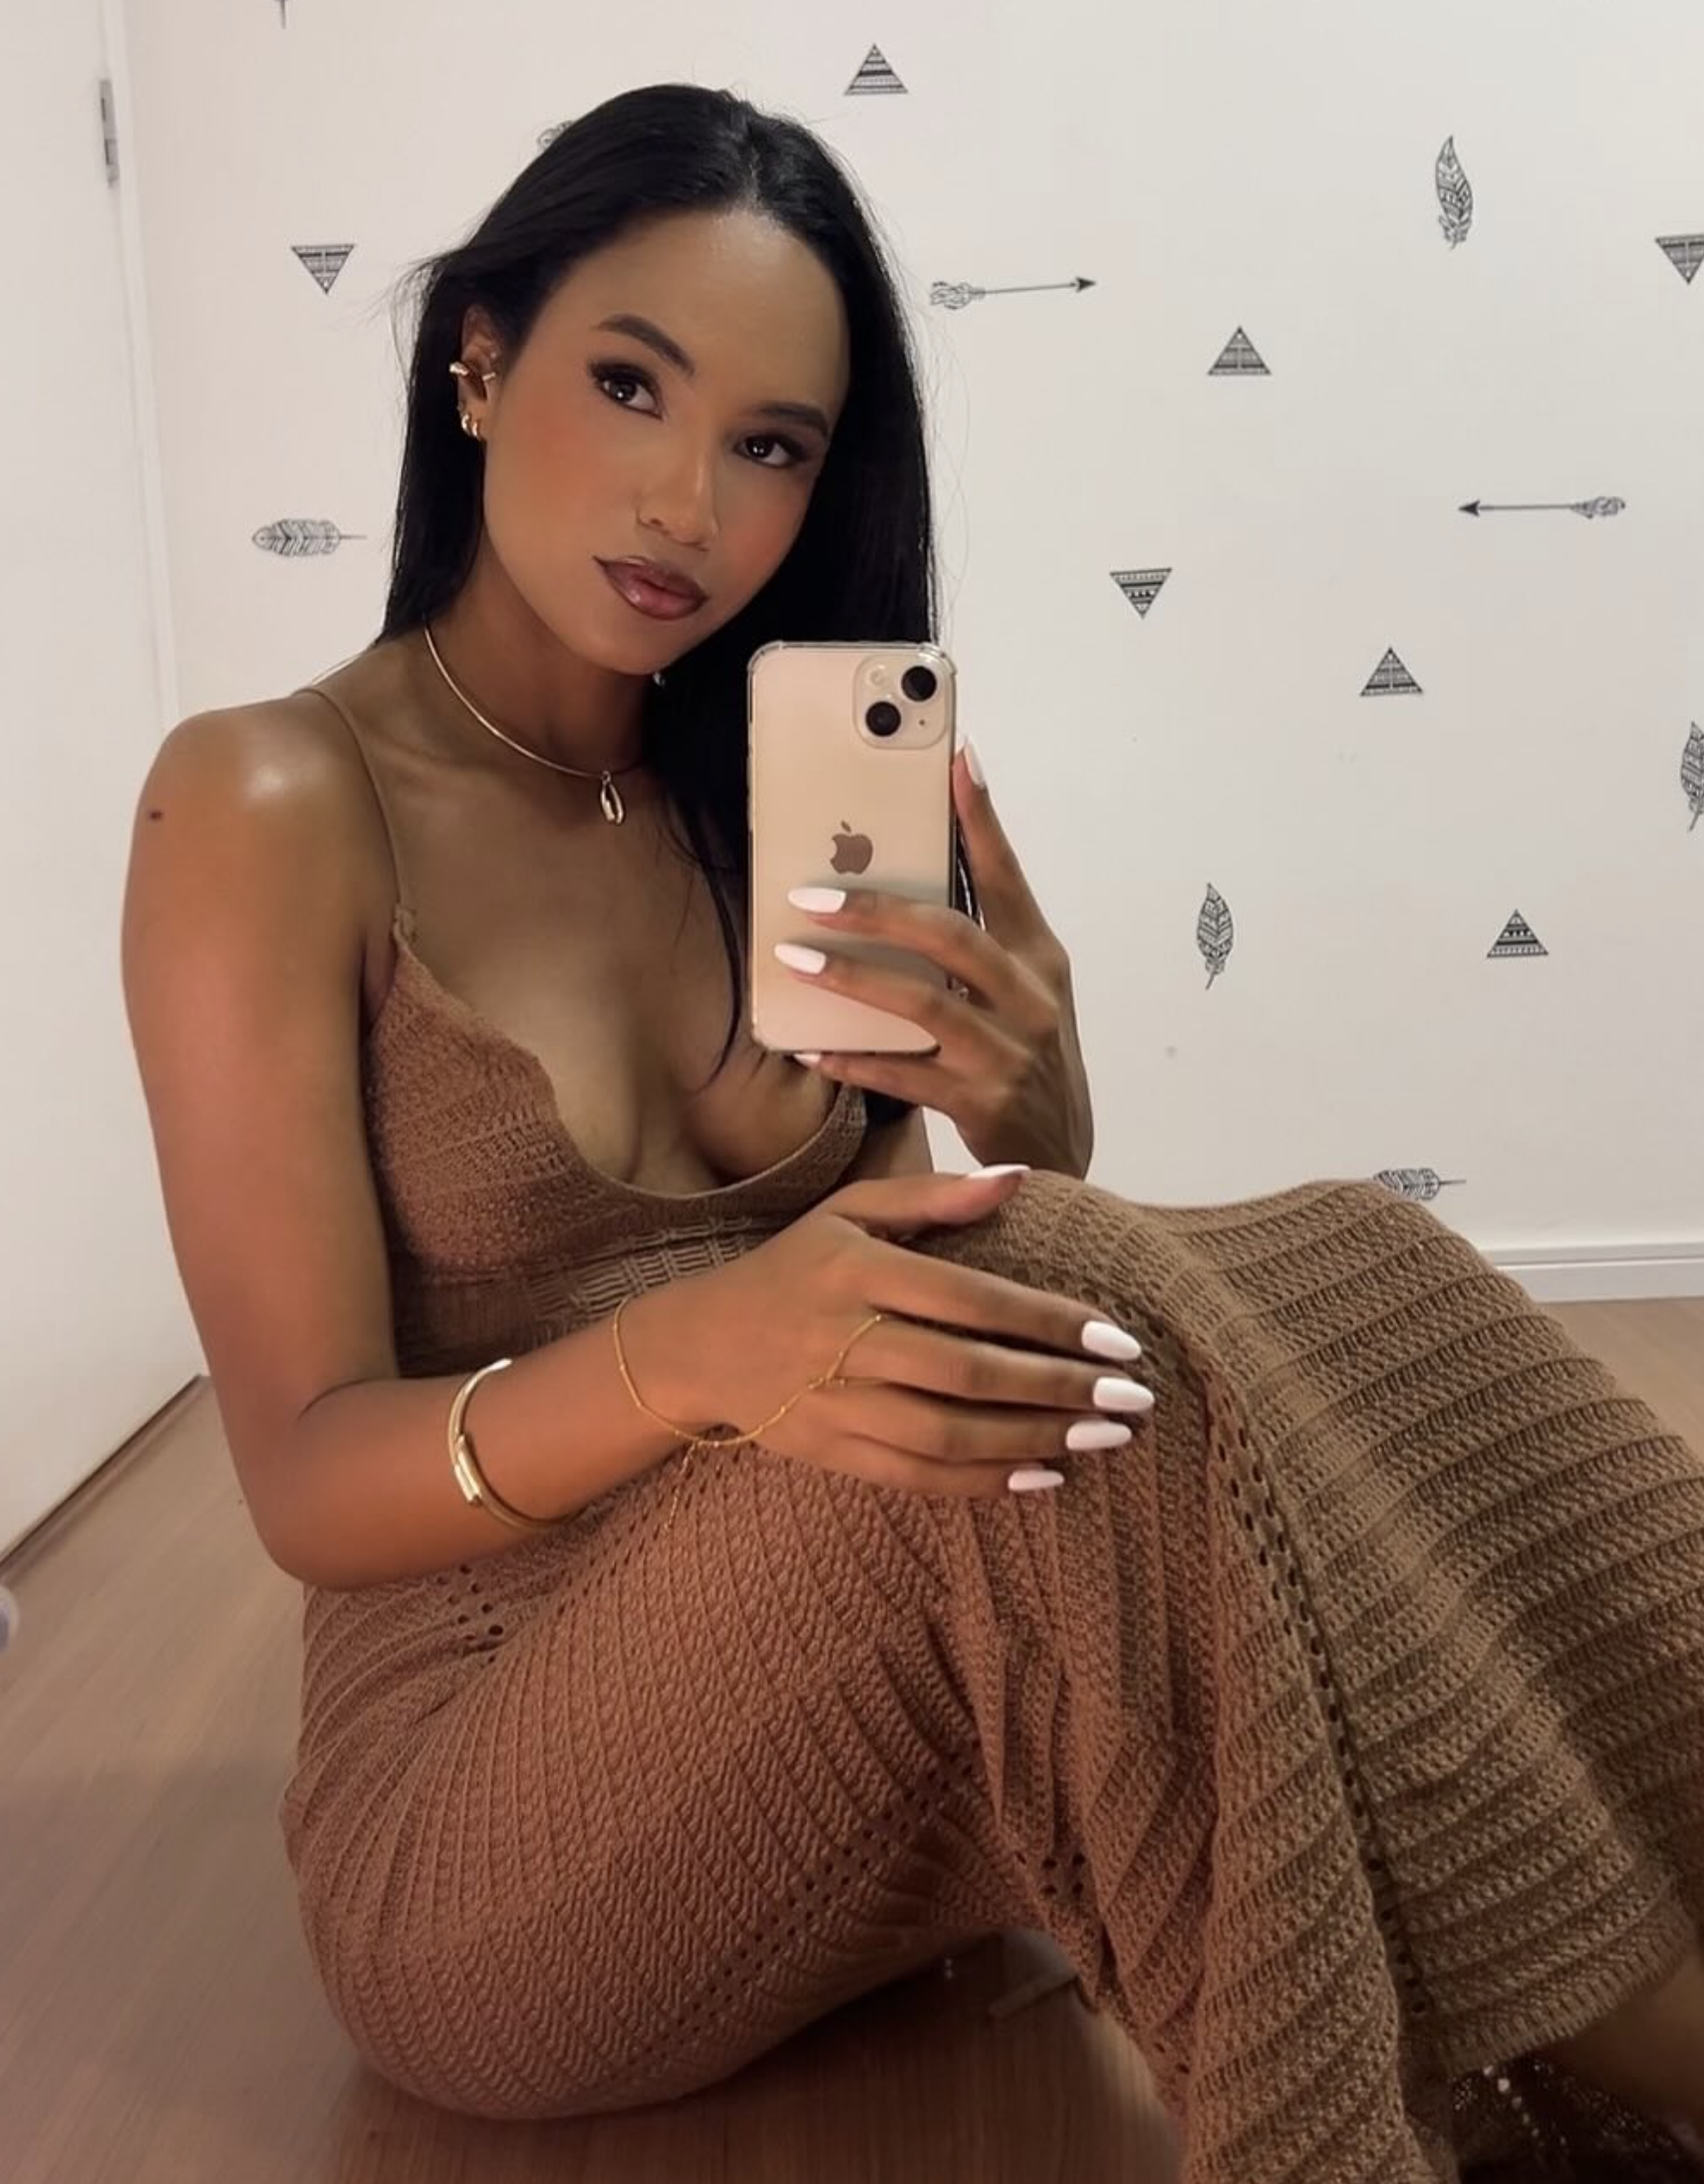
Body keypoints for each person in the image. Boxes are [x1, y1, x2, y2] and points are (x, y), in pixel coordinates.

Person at [119, 82, 1704, 2184]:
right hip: (489, 1813)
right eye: (630, 384)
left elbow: (891, 1309)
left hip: (824, 1714)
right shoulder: (267, 799)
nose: (687, 501)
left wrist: (1028, 1116)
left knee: (1358, 1253)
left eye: (771, 445)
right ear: (478, 361)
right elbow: (309, 1478)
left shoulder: (774, 797)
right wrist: (692, 1356)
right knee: (1053, 1329)